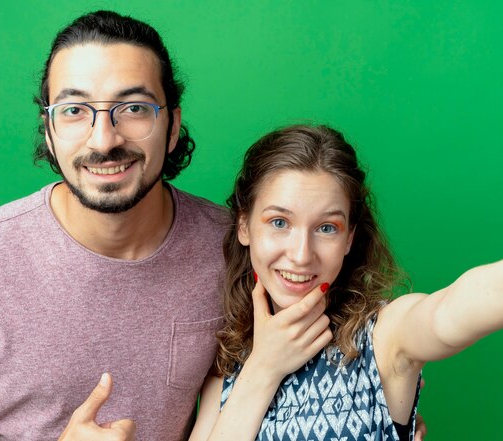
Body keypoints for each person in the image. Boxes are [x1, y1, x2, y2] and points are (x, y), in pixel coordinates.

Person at [0, 10, 229, 441]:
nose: (104, 140)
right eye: (74, 110)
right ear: (48, 131)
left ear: (173, 126)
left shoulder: (226, 245)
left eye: (134, 109)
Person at [189, 124, 502, 441]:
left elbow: (449, 313)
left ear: (349, 237)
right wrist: (263, 369)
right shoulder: (229, 362)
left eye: (326, 228)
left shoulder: (381, 338)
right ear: (244, 226)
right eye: (279, 222)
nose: (301, 255)